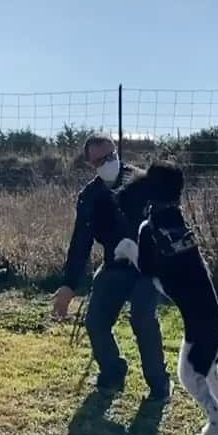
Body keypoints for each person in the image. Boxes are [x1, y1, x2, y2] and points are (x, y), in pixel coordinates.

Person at [52, 133, 172, 400]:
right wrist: (69, 285)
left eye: (110, 156)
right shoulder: (90, 196)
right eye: (99, 160)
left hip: (147, 266)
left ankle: (159, 384)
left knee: (142, 317)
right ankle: (112, 373)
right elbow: (80, 241)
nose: (107, 163)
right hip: (114, 267)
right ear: (90, 164)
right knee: (95, 321)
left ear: (116, 151)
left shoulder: (143, 182)